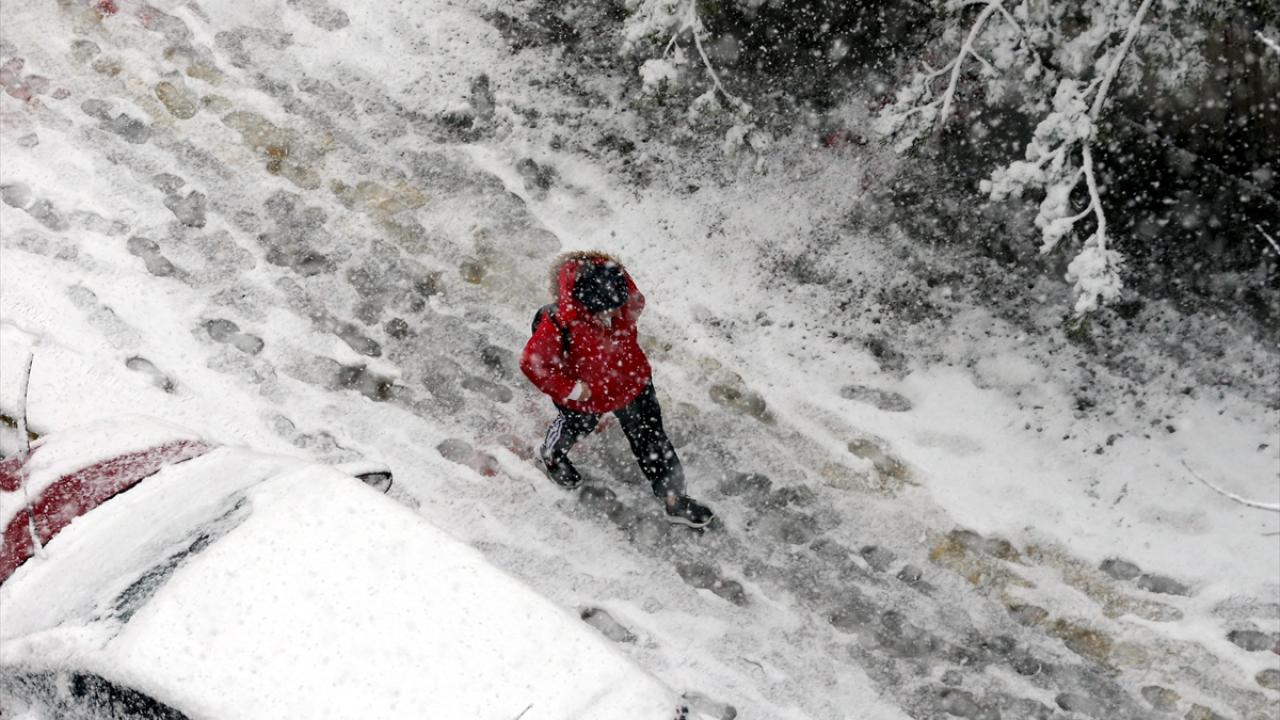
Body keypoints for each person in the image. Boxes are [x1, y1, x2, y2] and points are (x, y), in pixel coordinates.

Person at [521, 251, 714, 529]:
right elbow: (533, 364)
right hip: (585, 395)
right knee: (576, 426)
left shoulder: (623, 298)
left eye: (616, 306)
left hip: (631, 382)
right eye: (603, 311)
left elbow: (633, 298)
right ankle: (553, 456)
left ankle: (674, 499)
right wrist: (573, 390)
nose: (612, 314)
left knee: (652, 440)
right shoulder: (559, 321)